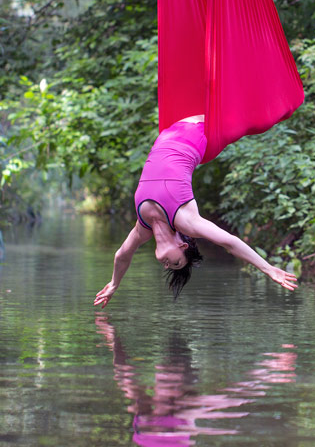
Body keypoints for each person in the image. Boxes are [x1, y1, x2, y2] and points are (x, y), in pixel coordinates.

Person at [94, 115, 298, 307]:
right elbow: (230, 242)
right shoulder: (185, 221)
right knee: (255, 121)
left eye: (169, 267)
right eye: (175, 263)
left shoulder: (143, 227)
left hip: (168, 132)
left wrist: (114, 284)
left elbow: (122, 255)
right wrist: (269, 269)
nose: (166, 265)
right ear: (183, 245)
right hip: (198, 131)